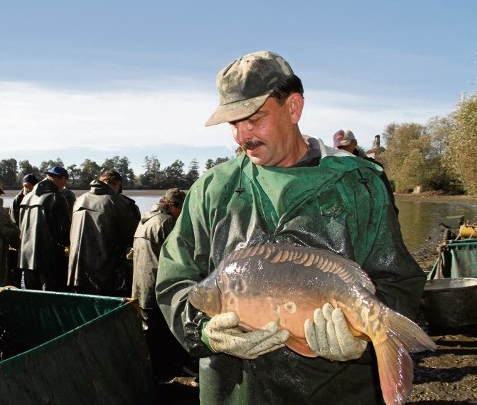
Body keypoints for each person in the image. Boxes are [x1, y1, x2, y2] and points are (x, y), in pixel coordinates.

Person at [155, 51, 426, 404]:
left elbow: (397, 280)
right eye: (233, 124)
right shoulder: (211, 189)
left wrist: (358, 339)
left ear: (294, 108)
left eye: (254, 118)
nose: (242, 135)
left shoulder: (359, 184)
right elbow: (175, 280)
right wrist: (205, 330)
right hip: (236, 391)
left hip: (336, 390)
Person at [132, 188, 191, 381]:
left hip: (140, 286)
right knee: (163, 333)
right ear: (173, 205)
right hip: (158, 287)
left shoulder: (145, 219)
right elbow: (181, 258)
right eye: (182, 208)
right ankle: (166, 373)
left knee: (149, 332)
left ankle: (154, 371)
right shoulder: (167, 222)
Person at [67, 170, 140, 296]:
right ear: (117, 184)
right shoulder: (113, 201)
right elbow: (131, 234)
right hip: (103, 271)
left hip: (76, 268)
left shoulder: (80, 199)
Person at [18, 168, 71, 291]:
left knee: (33, 298)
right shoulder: (56, 197)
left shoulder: (27, 197)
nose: (65, 184)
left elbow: (20, 225)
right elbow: (63, 231)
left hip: (26, 258)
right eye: (65, 180)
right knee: (52, 298)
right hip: (49, 259)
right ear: (61, 178)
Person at [333, 129, 398, 214]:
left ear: (354, 143)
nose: (341, 150)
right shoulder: (333, 169)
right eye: (338, 147)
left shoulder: (374, 167)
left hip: (370, 218)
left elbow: (388, 197)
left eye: (345, 145)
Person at [9, 173, 39, 286]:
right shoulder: (18, 199)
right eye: (25, 185)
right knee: (16, 272)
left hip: (30, 240)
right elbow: (14, 221)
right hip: (20, 240)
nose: (26, 188)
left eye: (28, 186)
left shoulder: (37, 197)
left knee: (30, 272)